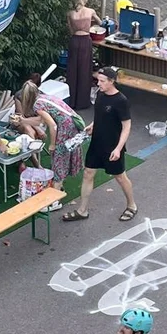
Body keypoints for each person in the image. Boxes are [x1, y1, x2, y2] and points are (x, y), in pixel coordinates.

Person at [63, 66, 138, 223]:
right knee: (88, 173)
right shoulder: (100, 95)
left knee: (120, 177)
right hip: (97, 142)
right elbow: (100, 115)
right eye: (98, 80)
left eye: (102, 81)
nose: (99, 84)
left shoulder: (121, 101)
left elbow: (126, 127)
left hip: (112, 146)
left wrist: (118, 149)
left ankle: (132, 205)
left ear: (112, 81)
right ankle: (82, 210)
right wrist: (93, 125)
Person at [12, 79, 86, 185]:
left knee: (58, 157)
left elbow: (53, 125)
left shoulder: (37, 105)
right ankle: (60, 181)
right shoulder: (45, 98)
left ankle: (57, 188)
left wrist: (52, 144)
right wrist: (23, 120)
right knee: (65, 154)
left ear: (26, 97)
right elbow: (41, 120)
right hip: (72, 125)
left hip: (65, 129)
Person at [67, 0, 97, 110]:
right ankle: (83, 102)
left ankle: (71, 100)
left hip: (74, 41)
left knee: (72, 70)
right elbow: (100, 22)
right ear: (86, 0)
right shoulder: (90, 11)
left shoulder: (70, 13)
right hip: (85, 41)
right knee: (84, 71)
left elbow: (70, 30)